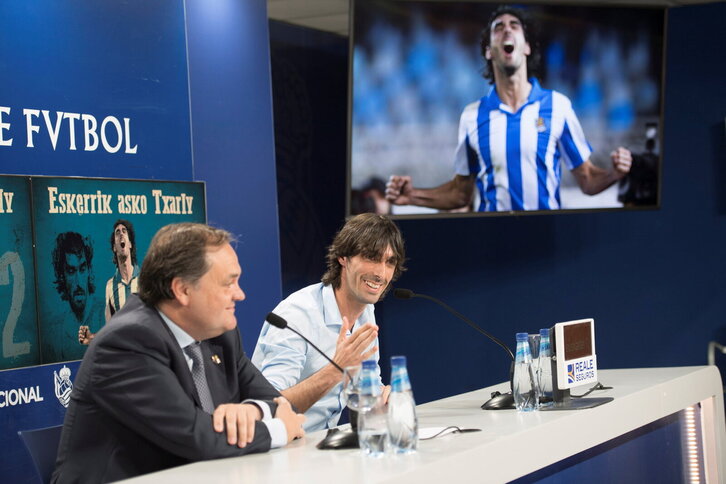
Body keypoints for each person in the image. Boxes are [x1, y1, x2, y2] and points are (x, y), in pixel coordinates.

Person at [52, 223, 306, 483]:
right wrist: (278, 430)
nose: (240, 294)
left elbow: (283, 405)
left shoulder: (220, 334)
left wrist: (253, 411)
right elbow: (196, 437)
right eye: (228, 283)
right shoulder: (127, 342)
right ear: (183, 290)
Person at [386, 5, 632, 212]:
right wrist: (413, 196)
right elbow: (461, 193)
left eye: (514, 26)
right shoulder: (473, 115)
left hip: (547, 239)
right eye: (498, 27)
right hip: (492, 241)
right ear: (488, 51)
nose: (507, 30)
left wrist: (614, 173)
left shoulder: (558, 106)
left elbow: (588, 180)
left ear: (526, 47)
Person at [251, 213, 406, 431]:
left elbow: (364, 387)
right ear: (343, 257)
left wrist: (380, 396)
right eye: (371, 258)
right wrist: (335, 370)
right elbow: (269, 407)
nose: (381, 273)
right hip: (279, 445)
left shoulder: (365, 311)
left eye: (389, 262)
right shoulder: (296, 315)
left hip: (321, 441)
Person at [79, 219, 139, 345]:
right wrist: (91, 338)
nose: (121, 234)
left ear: (130, 244)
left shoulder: (145, 279)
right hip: (124, 354)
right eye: (117, 232)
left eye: (124, 231)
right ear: (114, 247)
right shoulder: (110, 286)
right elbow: (111, 333)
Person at [48, 231, 104, 361]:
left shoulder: (106, 314)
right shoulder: (55, 332)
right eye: (71, 271)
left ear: (89, 270)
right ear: (62, 276)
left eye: (82, 269)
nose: (78, 282)